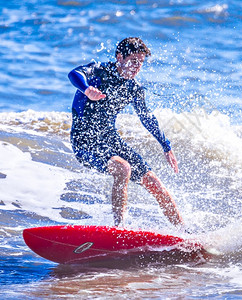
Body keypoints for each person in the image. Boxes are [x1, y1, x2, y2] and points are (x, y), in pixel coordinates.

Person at [68, 37, 184, 229]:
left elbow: (146, 117)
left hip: (110, 140)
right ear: (119, 57)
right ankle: (118, 230)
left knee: (155, 184)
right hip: (85, 141)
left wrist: (166, 146)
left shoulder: (133, 88)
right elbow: (73, 73)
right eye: (133, 61)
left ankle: (186, 234)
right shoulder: (99, 71)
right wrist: (87, 90)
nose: (137, 67)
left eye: (141, 63)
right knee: (123, 169)